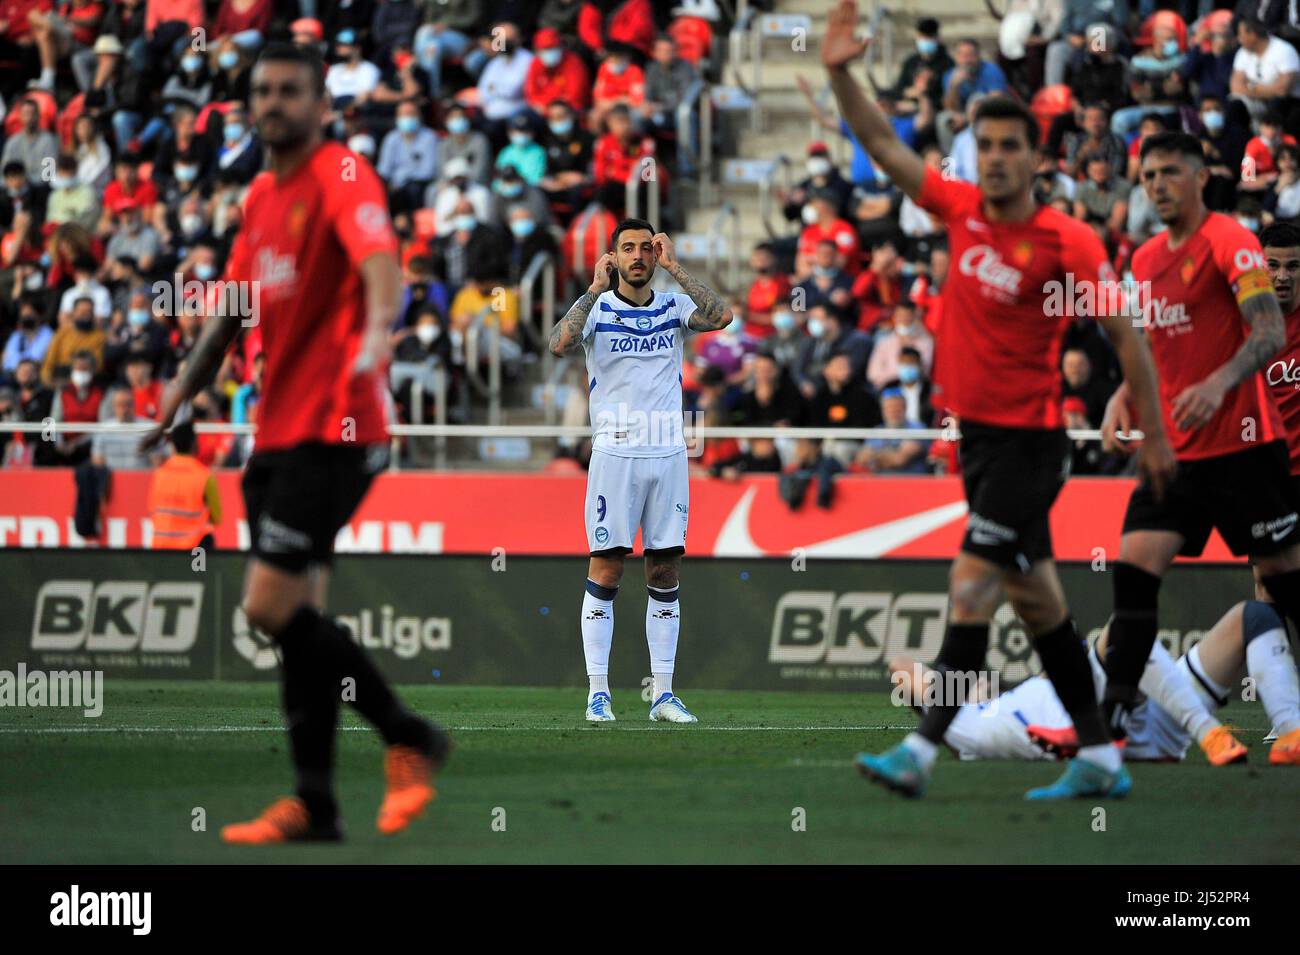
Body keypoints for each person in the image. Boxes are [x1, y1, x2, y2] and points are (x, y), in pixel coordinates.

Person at [822, 0, 1174, 801]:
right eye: (984, 146)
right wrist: (839, 71)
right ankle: (1102, 757)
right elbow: (879, 142)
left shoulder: (1067, 240)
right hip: (974, 441)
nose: (995, 159)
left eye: (1010, 146)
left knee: (970, 585)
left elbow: (1127, 338)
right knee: (1036, 598)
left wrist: (1154, 437)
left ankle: (919, 749)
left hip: (1030, 444)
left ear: (1035, 157)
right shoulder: (960, 208)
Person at [143, 43, 449, 845]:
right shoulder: (259, 201)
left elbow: (383, 266)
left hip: (337, 424)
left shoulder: (342, 175)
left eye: (290, 90)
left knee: (266, 605)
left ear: (321, 104)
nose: (273, 102)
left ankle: (407, 733)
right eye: (262, 91)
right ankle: (316, 802)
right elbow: (229, 313)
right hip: (276, 433)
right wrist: (180, 390)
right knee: (296, 621)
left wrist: (378, 333)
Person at [1098, 131, 1300, 746]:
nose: (1157, 184)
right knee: (1134, 577)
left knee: (1285, 587)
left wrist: (1219, 384)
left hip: (1246, 449)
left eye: (1169, 172)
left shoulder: (1233, 243)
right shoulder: (1144, 260)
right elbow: (1156, 350)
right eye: (1148, 174)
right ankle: (1106, 737)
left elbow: (1266, 334)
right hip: (1180, 453)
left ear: (1200, 177)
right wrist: (1123, 397)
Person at [548, 218, 732, 724]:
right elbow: (558, 342)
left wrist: (677, 268)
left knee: (665, 569)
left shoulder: (674, 306)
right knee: (606, 566)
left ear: (655, 255)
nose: (637, 256)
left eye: (646, 249)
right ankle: (598, 692)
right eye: (626, 248)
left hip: (668, 452)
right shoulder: (598, 307)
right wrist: (591, 288)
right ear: (612, 257)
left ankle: (664, 693)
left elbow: (721, 317)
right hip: (615, 453)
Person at [893, 599, 1298, 765]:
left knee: (1254, 616)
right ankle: (1207, 731)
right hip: (1101, 722)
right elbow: (901, 667)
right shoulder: (960, 723)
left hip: (1141, 711)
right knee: (1124, 629)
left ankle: (1290, 732)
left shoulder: (1012, 696)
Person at [148, 420, 220, 551]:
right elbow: (217, 517)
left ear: (173, 446)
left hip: (161, 547)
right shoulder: (205, 476)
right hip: (195, 549)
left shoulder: (159, 474)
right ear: (194, 443)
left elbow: (152, 510)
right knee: (206, 545)